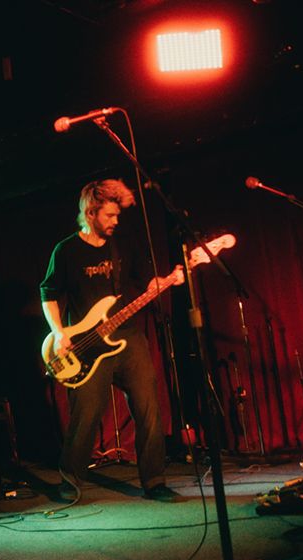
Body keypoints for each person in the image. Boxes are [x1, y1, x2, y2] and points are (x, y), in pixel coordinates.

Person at [40, 178, 185, 503]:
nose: (116, 221)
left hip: (128, 337)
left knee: (149, 408)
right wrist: (60, 332)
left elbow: (147, 280)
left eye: (118, 215)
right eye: (109, 215)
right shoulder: (66, 250)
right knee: (86, 415)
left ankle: (155, 481)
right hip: (87, 346)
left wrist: (165, 281)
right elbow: (48, 293)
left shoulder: (124, 244)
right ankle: (70, 480)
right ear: (91, 213)